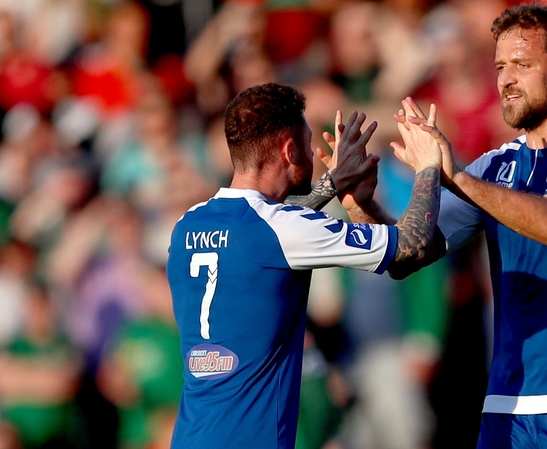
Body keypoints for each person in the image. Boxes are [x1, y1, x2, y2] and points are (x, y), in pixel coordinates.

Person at [333, 3, 547, 448]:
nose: (505, 79)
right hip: (508, 403)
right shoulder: (496, 165)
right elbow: (408, 253)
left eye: (522, 64)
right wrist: (361, 203)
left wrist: (456, 176)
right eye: (500, 65)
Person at [165, 82, 444, 449]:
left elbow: (270, 231)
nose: (315, 152)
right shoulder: (282, 230)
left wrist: (333, 182)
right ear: (289, 150)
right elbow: (414, 244)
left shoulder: (189, 225)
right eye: (309, 141)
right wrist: (428, 165)